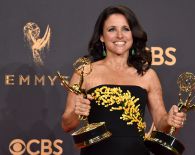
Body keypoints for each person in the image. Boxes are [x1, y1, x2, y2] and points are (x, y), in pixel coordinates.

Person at [61, 5, 187, 155]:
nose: (120, 35)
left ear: (133, 34)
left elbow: (161, 124)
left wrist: (171, 120)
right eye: (112, 29)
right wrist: (77, 111)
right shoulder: (85, 72)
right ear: (101, 36)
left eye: (125, 29)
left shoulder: (148, 75)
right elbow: (67, 125)